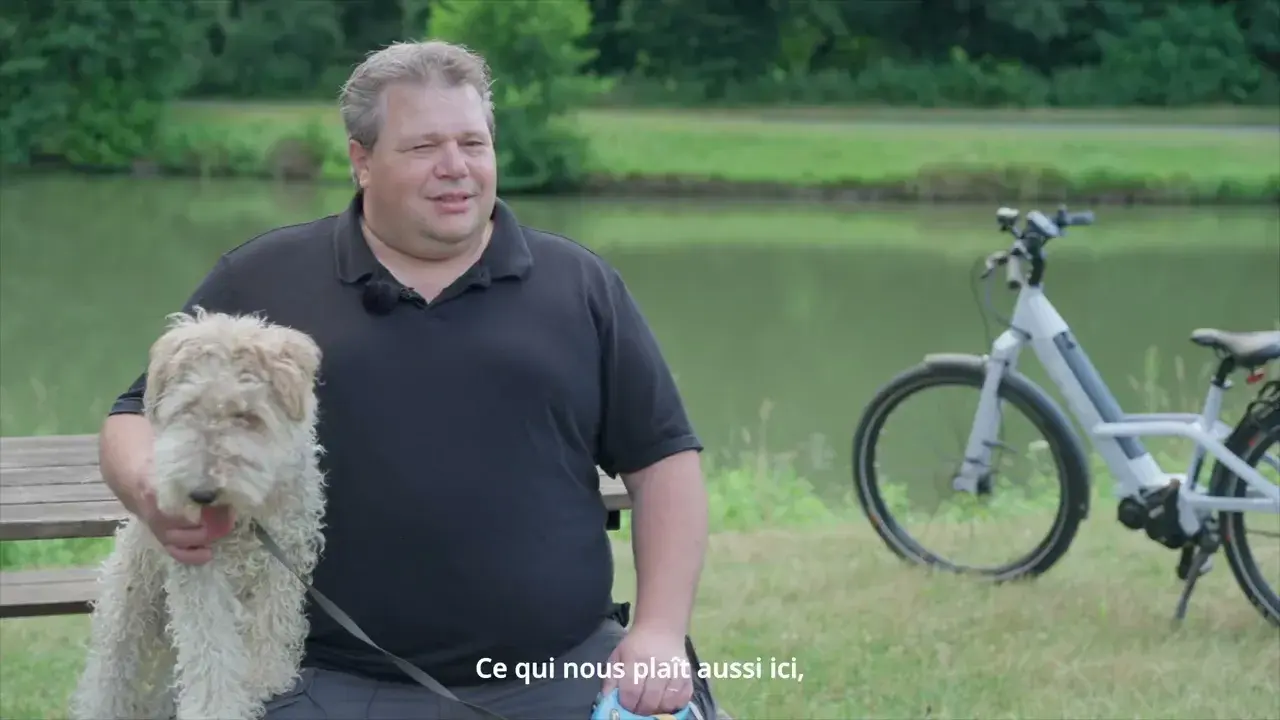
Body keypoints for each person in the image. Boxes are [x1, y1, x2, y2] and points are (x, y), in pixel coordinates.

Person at [98, 40, 713, 720]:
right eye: (423, 148)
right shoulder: (264, 276)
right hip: (325, 678)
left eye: (472, 143)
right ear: (362, 160)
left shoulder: (582, 284)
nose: (456, 168)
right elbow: (134, 414)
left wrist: (657, 632)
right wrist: (151, 490)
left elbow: (665, 462)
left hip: (561, 668)